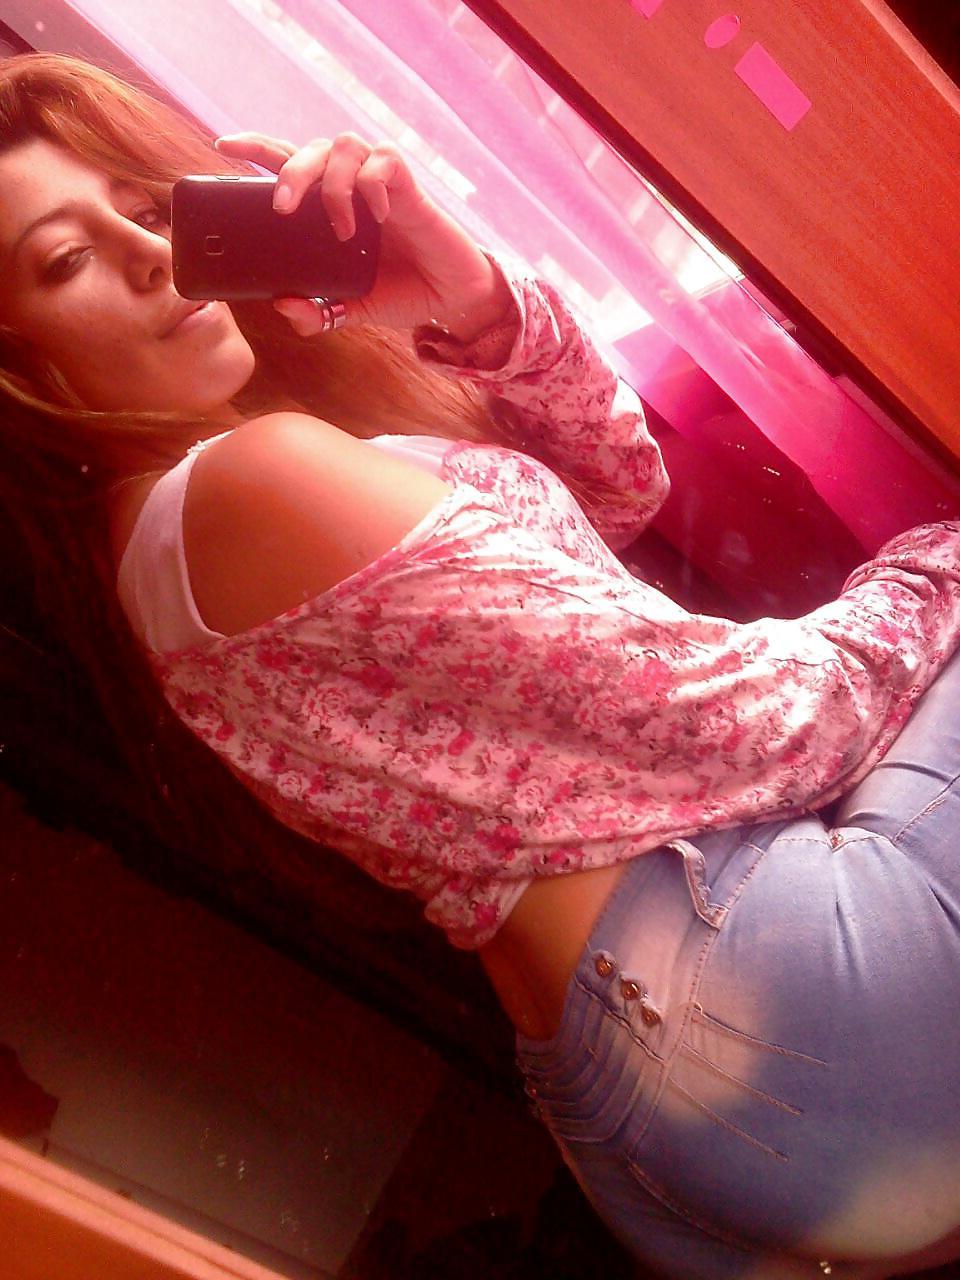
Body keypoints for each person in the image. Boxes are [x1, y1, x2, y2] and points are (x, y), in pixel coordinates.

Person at [1, 50, 958, 1279]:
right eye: (64, 260)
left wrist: (471, 300)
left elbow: (618, 491)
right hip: (778, 1008)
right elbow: (773, 726)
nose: (150, 255)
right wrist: (933, 560)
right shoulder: (249, 482)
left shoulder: (180, 548)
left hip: (653, 1109)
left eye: (145, 206)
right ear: (17, 364)